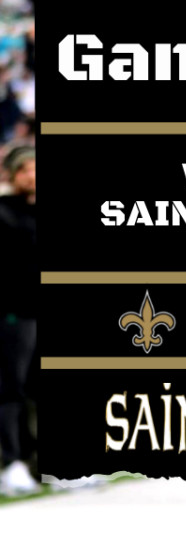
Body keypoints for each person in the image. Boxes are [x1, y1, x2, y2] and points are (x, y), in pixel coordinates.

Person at [0, 146, 38, 497]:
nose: (31, 175)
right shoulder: (4, 212)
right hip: (14, 314)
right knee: (12, 389)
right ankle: (12, 464)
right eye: (24, 169)